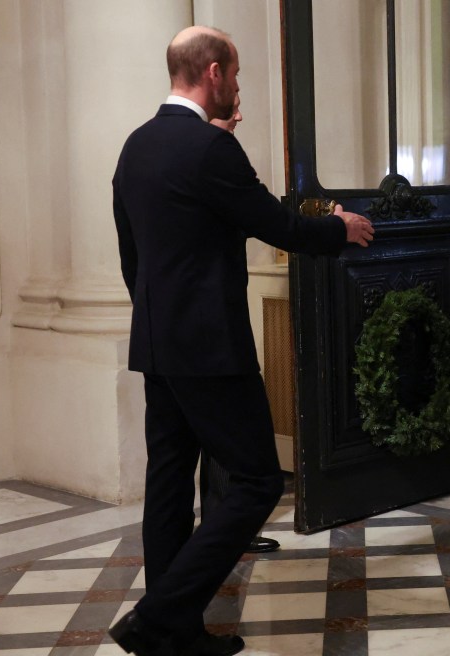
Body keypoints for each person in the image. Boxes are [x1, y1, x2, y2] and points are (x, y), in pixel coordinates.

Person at [109, 26, 374, 656]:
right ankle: (159, 616)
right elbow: (279, 226)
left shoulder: (135, 146)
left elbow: (132, 255)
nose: (238, 86)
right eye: (236, 74)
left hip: (157, 343)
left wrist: (157, 317)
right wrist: (339, 227)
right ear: (214, 73)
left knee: (169, 487)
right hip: (210, 348)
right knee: (257, 481)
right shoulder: (211, 150)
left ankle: (174, 632)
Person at [198, 94, 279, 555]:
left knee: (210, 447)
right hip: (214, 333)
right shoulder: (213, 156)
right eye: (233, 107)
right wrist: (334, 228)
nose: (241, 115)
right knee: (248, 460)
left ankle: (221, 527)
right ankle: (222, 531)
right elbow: (270, 220)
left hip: (187, 330)